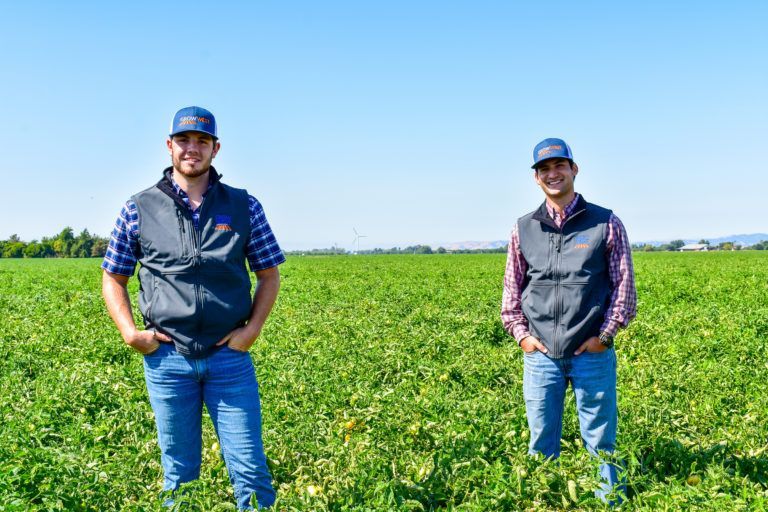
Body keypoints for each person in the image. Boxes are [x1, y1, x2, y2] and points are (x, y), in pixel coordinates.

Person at [101, 106, 284, 510]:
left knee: (250, 470)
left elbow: (269, 274)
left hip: (228, 359)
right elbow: (114, 277)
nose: (192, 149)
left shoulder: (243, 206)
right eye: (184, 140)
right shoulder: (138, 207)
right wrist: (131, 334)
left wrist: (251, 331)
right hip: (167, 359)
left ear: (215, 149)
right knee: (180, 475)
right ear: (169, 146)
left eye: (202, 141)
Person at [501, 138, 636, 504]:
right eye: (544, 169)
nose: (552, 173)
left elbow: (625, 288)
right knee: (541, 438)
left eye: (559, 166)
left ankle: (611, 504)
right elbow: (512, 293)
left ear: (574, 169)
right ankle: (543, 502)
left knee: (601, 438)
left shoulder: (605, 222)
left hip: (591, 351)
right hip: (541, 355)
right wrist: (523, 337)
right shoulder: (523, 228)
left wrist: (605, 336)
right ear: (536, 178)